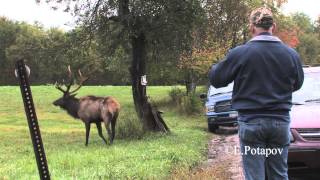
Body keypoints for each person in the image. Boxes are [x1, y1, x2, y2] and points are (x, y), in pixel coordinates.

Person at [208, 7, 304, 180]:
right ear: (273, 26)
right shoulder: (291, 55)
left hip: (251, 123)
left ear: (252, 28)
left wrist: (223, 63)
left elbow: (217, 79)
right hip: (279, 123)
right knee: (279, 175)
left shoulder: (240, 53)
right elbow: (297, 84)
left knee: (254, 176)